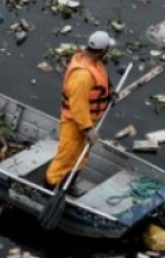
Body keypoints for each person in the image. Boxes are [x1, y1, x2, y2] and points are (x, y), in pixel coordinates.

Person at [45, 30, 115, 192]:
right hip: (75, 123)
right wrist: (87, 129)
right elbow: (78, 106)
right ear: (103, 51)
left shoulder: (95, 62)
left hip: (87, 122)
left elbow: (102, 83)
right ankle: (48, 187)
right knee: (66, 157)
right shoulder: (82, 75)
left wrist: (111, 93)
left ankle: (68, 185)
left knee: (81, 156)